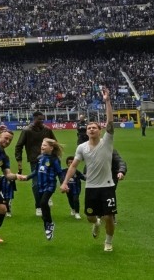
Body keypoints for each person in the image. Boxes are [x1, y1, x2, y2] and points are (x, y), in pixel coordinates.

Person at [61, 87, 117, 252]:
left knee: (109, 216)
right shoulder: (82, 147)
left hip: (107, 186)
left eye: (94, 127)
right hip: (91, 186)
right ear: (86, 132)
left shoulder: (107, 141)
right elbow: (73, 166)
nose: (91, 129)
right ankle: (96, 224)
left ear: (100, 131)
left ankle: (108, 242)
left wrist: (107, 101)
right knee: (91, 217)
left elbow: (110, 122)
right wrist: (65, 182)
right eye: (88, 128)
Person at [19, 139, 65, 240]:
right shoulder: (39, 158)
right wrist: (27, 177)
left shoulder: (55, 159)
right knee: (42, 205)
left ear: (51, 148)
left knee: (44, 203)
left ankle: (50, 223)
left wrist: (63, 184)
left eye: (44, 145)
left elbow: (60, 173)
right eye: (42, 145)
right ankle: (47, 228)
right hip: (40, 186)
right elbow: (36, 171)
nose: (42, 147)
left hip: (50, 185)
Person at [15, 111, 57, 217]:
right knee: (36, 183)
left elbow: (54, 142)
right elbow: (19, 146)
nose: (41, 121)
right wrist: (19, 161)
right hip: (35, 160)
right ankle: (38, 206)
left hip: (48, 159)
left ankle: (47, 197)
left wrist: (55, 156)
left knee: (49, 179)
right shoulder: (27, 131)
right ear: (34, 118)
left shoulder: (47, 130)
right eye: (39, 119)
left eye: (43, 119)